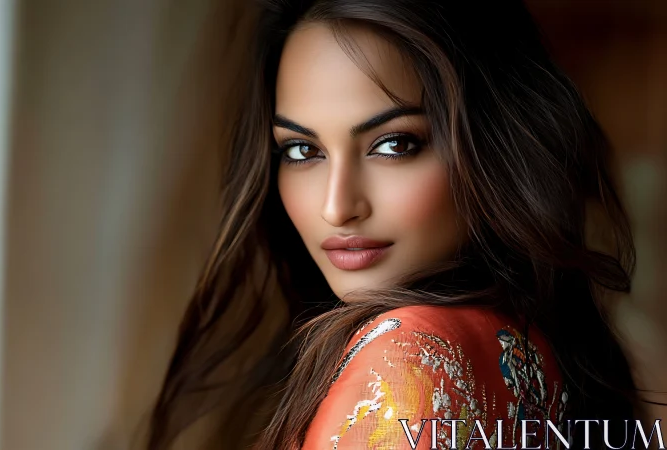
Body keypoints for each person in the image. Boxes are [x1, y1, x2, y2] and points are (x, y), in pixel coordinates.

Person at [146, 0, 642, 449]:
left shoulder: (406, 359)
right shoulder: (534, 353)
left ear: (496, 146)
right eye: (302, 151)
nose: (336, 208)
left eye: (394, 145)